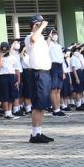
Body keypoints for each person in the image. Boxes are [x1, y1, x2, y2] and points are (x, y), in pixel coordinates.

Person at [23, 15, 54, 144]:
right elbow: (33, 38)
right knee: (37, 104)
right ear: (35, 25)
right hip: (37, 73)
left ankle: (39, 132)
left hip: (45, 73)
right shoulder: (29, 37)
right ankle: (35, 134)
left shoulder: (40, 38)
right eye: (39, 24)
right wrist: (40, 27)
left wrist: (49, 36)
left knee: (42, 105)